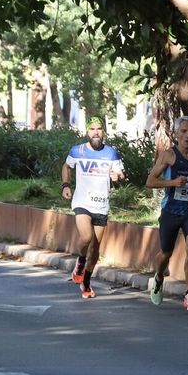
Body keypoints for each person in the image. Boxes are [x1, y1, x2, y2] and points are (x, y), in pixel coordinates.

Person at [145, 116, 188, 311]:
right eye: (183, 131)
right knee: (165, 253)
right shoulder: (168, 156)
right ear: (176, 134)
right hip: (171, 211)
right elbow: (150, 181)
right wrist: (172, 183)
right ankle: (158, 276)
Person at [60, 117, 125, 298]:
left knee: (96, 248)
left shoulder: (112, 153)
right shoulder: (78, 150)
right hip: (82, 202)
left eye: (99, 129)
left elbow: (121, 174)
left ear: (104, 132)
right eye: (92, 129)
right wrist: (66, 185)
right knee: (86, 237)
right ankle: (80, 262)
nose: (96, 132)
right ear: (87, 132)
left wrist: (118, 177)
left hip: (101, 205)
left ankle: (86, 281)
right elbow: (66, 166)